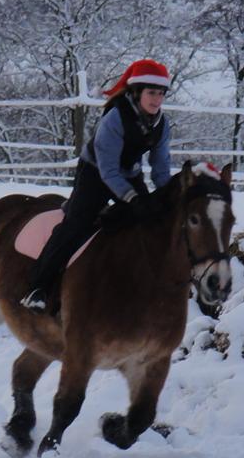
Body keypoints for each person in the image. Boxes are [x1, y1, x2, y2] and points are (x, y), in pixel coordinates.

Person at [20, 58, 174, 314]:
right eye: (151, 93)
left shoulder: (162, 123)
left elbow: (160, 167)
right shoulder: (115, 117)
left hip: (129, 172)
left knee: (151, 219)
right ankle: (38, 287)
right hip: (96, 173)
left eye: (160, 94)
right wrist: (132, 198)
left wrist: (169, 197)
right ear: (137, 92)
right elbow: (108, 170)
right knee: (77, 223)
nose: (156, 100)